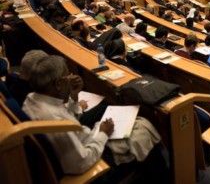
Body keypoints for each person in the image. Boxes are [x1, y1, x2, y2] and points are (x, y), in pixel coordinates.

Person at [22, 55, 168, 182]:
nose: (72, 78)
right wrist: (104, 133)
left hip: (83, 140)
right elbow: (82, 162)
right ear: (58, 84)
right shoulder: (56, 122)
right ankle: (160, 176)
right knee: (143, 130)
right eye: (68, 75)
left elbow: (66, 116)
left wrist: (73, 97)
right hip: (90, 163)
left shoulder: (32, 99)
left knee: (137, 126)